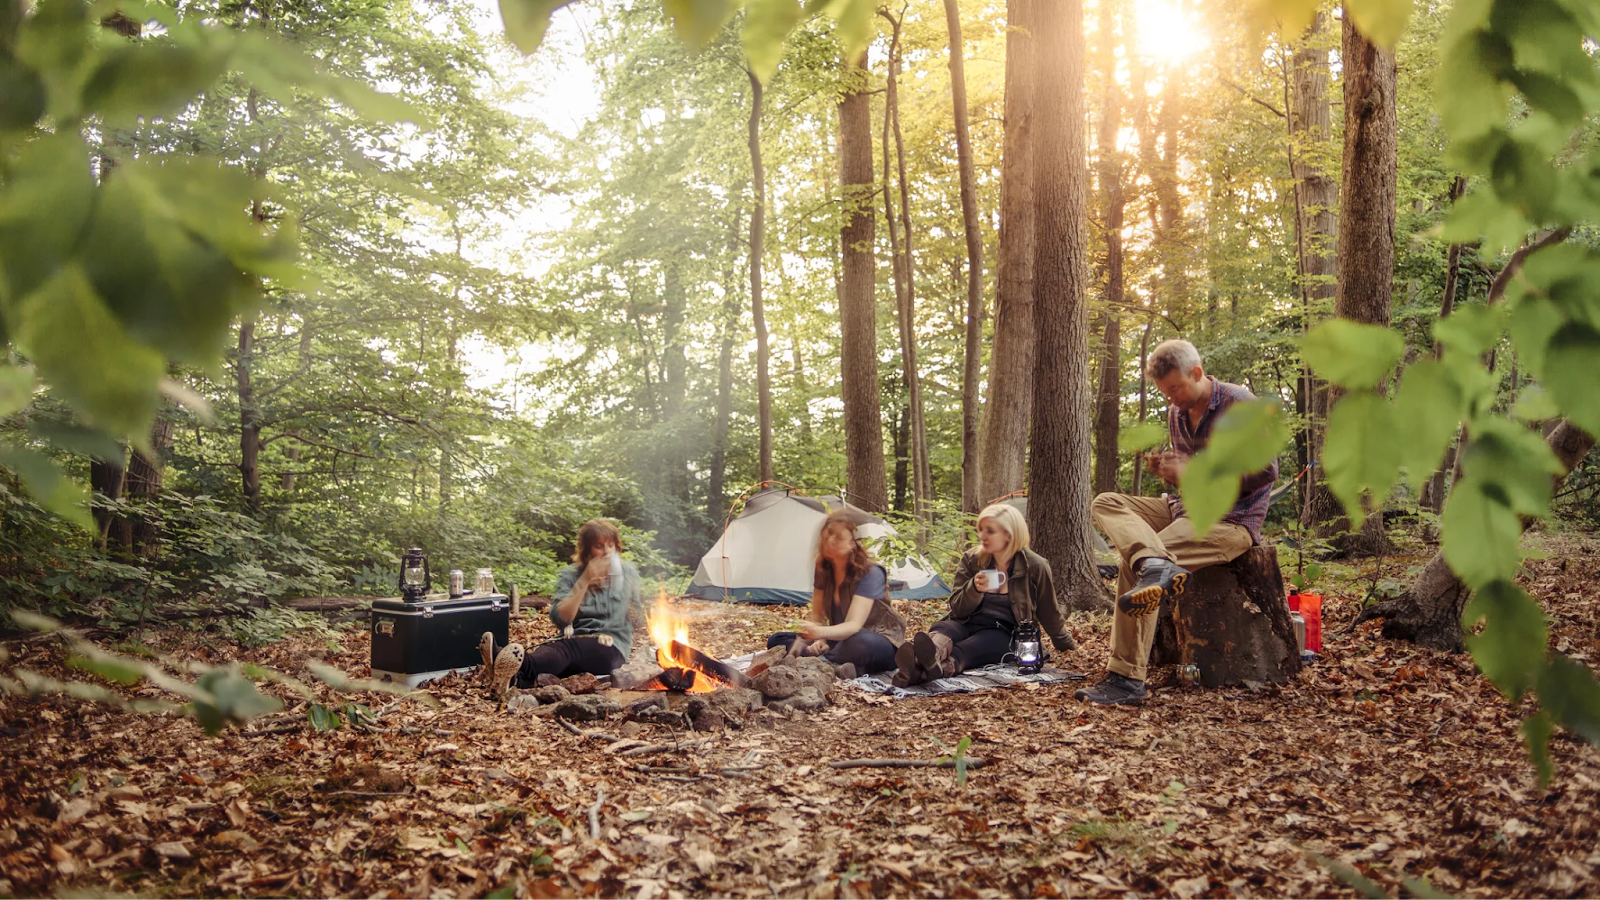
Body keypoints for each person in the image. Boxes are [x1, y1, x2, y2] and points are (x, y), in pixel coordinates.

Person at [1075, 339, 1279, 706]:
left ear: (1197, 373)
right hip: (1182, 507)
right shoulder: (1177, 413)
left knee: (1131, 565)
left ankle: (1126, 679)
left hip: (1229, 521)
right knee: (1107, 502)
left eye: (1174, 389)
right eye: (1164, 392)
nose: (1171, 399)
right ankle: (1155, 562)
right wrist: (1169, 471)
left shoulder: (1239, 404)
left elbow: (1266, 470)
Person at [894, 503, 1074, 686]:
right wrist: (974, 588)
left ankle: (921, 671)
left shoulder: (1035, 566)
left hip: (1004, 631)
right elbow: (957, 607)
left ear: (1009, 534)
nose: (982, 536)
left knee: (967, 650)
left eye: (990, 531)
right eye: (980, 530)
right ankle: (923, 661)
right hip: (966, 620)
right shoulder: (971, 560)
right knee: (943, 632)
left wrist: (1064, 643)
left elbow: (1048, 611)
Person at [486, 519, 642, 696]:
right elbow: (560, 618)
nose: (607, 552)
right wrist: (585, 580)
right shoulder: (571, 574)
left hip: (612, 647)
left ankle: (510, 662)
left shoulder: (627, 573)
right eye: (599, 546)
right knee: (553, 650)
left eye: (611, 545)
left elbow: (639, 619)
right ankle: (515, 680)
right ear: (587, 551)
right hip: (572, 640)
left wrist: (633, 612)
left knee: (567, 651)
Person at [765, 509, 907, 677]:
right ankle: (834, 664)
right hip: (838, 638)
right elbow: (818, 618)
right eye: (829, 532)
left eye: (839, 537)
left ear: (852, 544)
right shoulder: (824, 568)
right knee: (776, 640)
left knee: (860, 642)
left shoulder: (871, 572)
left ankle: (820, 662)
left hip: (877, 641)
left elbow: (854, 625)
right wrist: (820, 640)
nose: (830, 540)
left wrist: (820, 633)